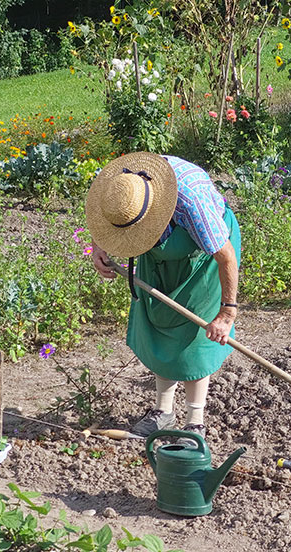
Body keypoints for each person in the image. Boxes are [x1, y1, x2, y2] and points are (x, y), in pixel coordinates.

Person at [86, 152, 240, 443]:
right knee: (160, 325)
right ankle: (163, 412)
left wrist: (226, 312)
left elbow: (226, 258)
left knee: (194, 337)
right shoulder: (122, 187)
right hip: (160, 257)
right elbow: (99, 213)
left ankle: (195, 423)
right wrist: (98, 246)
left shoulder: (192, 204)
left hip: (204, 260)